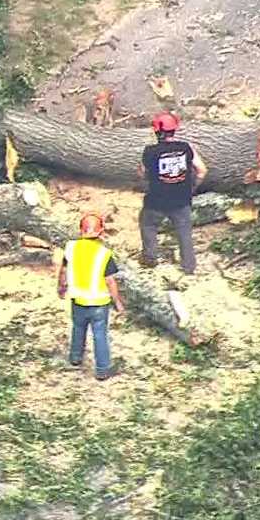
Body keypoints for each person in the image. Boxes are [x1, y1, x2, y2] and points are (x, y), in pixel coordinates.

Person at [57, 213, 126, 381]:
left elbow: (64, 271)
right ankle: (102, 369)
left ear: (81, 231)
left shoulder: (71, 247)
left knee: (78, 328)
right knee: (100, 334)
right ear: (101, 232)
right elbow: (110, 281)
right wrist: (118, 302)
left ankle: (75, 358)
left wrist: (61, 287)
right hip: (99, 302)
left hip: (78, 299)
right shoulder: (104, 253)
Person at [138, 112, 207, 275]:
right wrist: (191, 189)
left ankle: (150, 258)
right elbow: (202, 170)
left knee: (148, 225)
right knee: (184, 231)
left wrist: (149, 179)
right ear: (173, 130)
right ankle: (188, 267)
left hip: (156, 200)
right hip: (181, 200)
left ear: (157, 131)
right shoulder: (186, 148)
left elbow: (141, 173)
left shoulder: (150, 151)